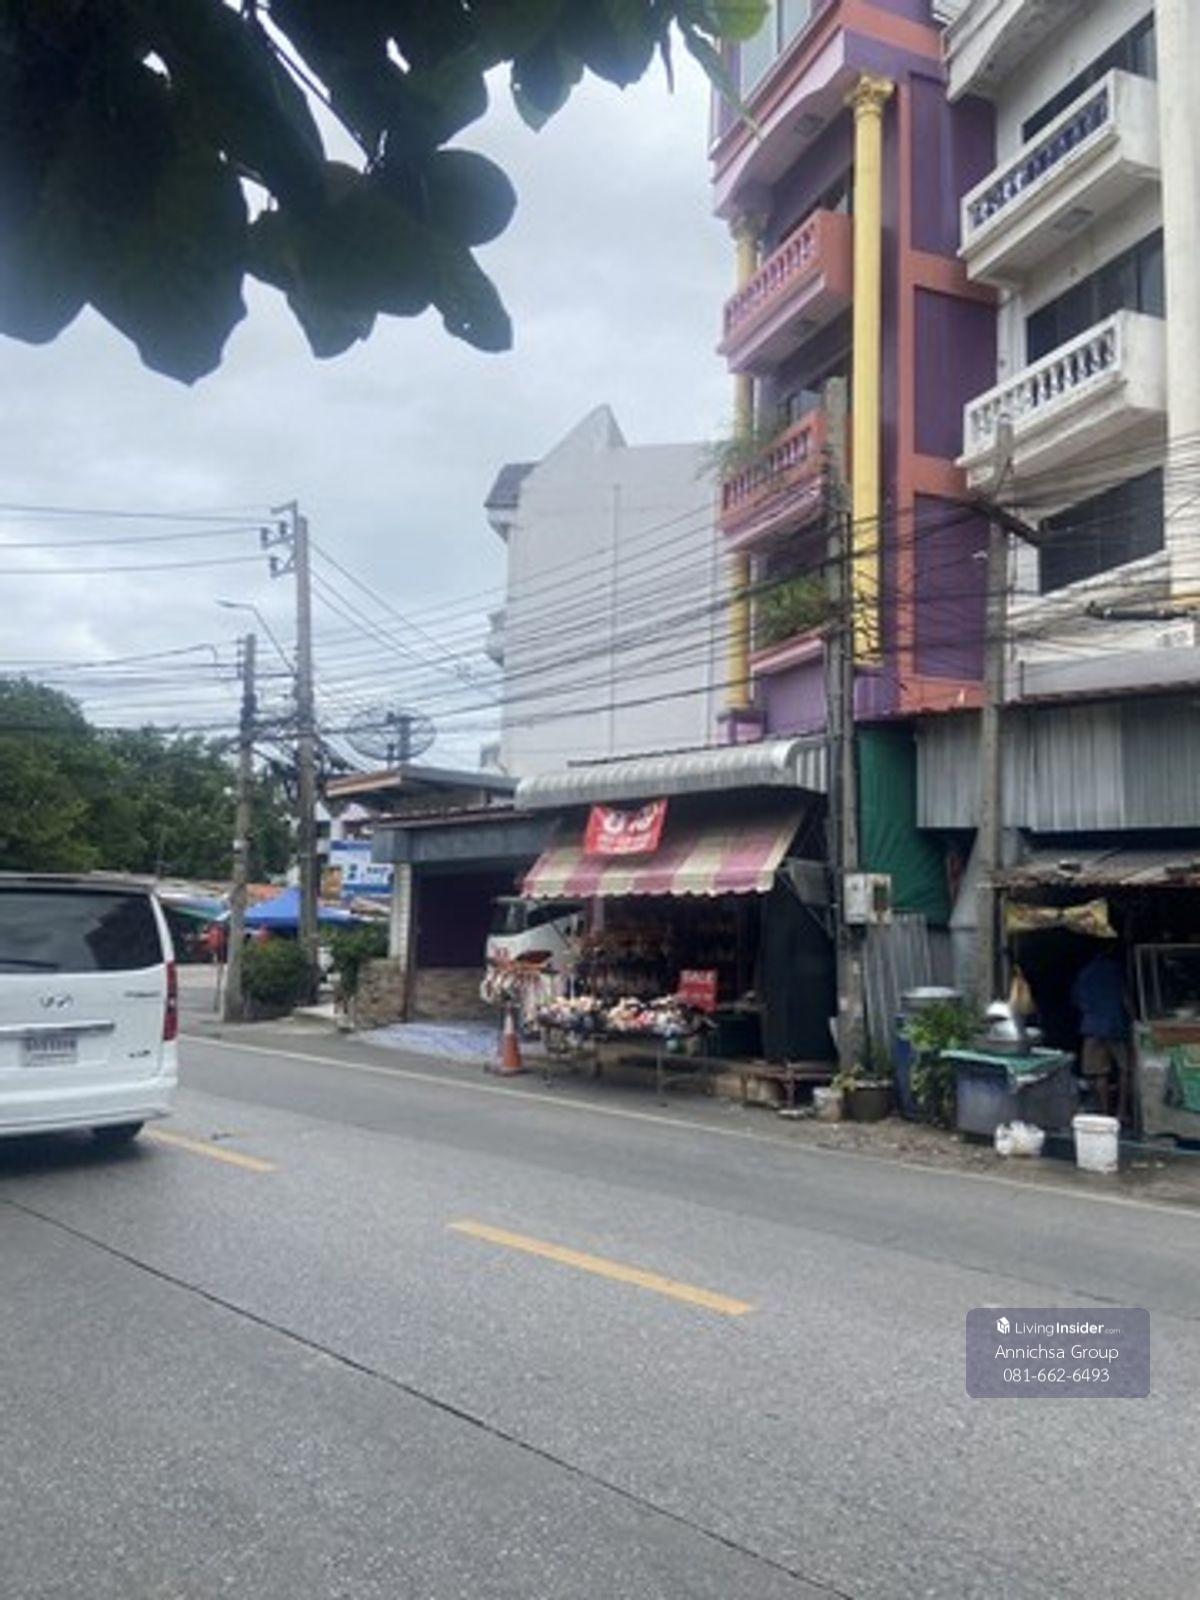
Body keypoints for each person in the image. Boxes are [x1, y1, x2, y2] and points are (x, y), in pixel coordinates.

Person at [1071, 948, 1131, 1121]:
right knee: (1125, 1069)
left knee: (1100, 1073)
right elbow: (1125, 998)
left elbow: (1076, 1000)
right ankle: (1121, 1112)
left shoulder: (1084, 973)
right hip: (1115, 1026)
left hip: (1092, 1027)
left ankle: (1105, 1114)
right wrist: (1134, 1018)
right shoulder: (1116, 970)